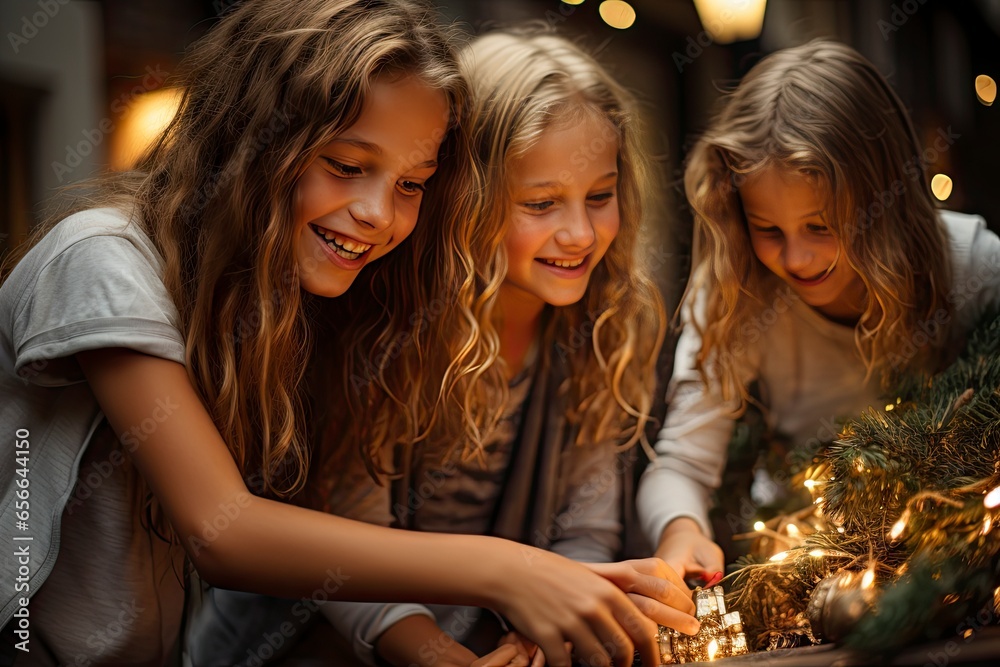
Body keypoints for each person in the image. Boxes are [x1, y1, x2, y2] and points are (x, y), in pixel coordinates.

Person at [0, 2, 684, 665]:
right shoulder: (98, 257)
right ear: (252, 135)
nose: (378, 214)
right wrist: (510, 571)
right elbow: (221, 530)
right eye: (348, 165)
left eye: (413, 183)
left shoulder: (279, 303)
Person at [311, 29, 696, 667]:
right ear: (467, 198)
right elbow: (343, 554)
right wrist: (435, 653)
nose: (579, 234)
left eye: (599, 197)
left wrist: (543, 635)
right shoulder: (381, 326)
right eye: (541, 204)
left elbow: (585, 529)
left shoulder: (599, 327)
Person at [636, 39, 1000, 581]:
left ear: (886, 200)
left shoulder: (973, 267)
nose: (798, 259)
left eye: (822, 227)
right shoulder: (738, 293)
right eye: (768, 230)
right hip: (812, 567)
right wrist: (681, 530)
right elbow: (683, 462)